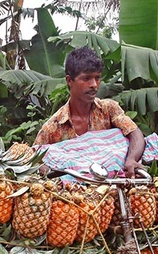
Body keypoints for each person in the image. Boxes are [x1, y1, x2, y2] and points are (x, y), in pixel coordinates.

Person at [34, 46, 145, 177]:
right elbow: (34, 160)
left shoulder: (109, 110)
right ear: (69, 81)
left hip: (114, 190)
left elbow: (135, 133)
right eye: (86, 78)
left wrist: (131, 159)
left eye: (97, 78)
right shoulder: (53, 127)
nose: (94, 84)